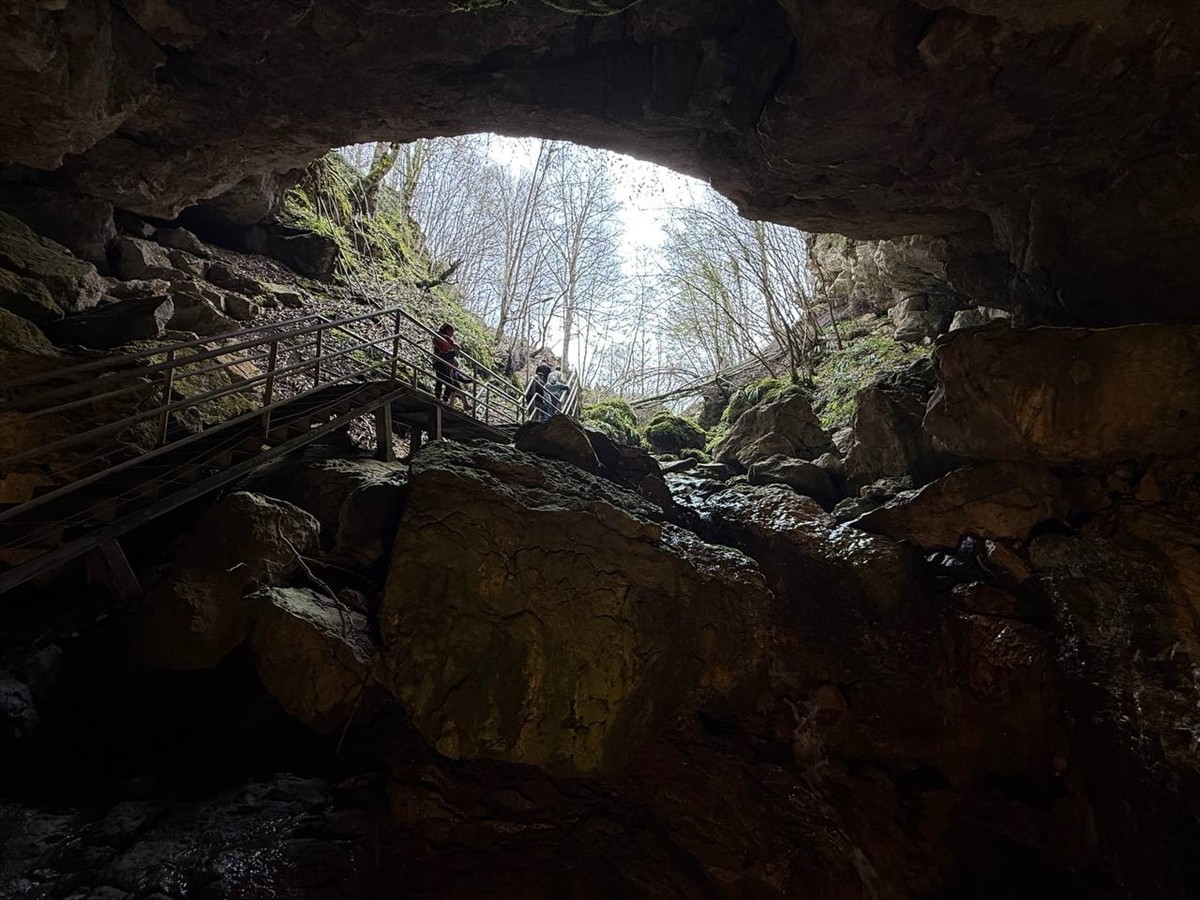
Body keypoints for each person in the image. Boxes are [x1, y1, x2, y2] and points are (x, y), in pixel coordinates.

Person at [432, 323, 459, 403]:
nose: (452, 334)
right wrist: (454, 345)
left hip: (444, 362)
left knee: (447, 382)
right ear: (447, 330)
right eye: (451, 332)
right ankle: (440, 399)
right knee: (442, 381)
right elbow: (447, 343)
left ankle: (443, 399)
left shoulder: (441, 337)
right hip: (440, 361)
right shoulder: (440, 337)